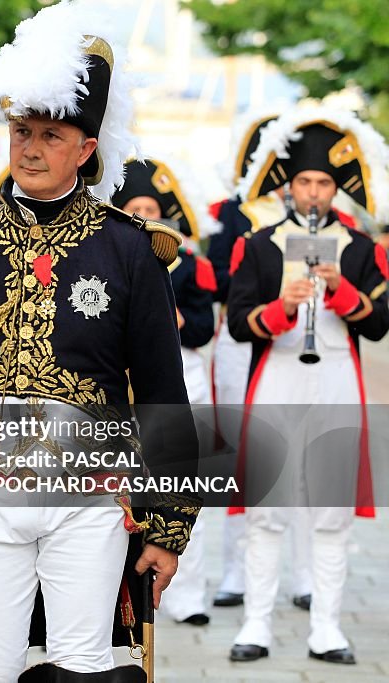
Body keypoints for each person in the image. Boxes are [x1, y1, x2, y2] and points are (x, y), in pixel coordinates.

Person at [0, 3, 200, 680]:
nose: (30, 148)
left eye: (51, 135)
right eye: (21, 130)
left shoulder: (129, 251)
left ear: (86, 149)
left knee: (85, 666)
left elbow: (162, 395)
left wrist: (168, 526)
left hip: (90, 501)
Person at [227, 106, 389, 665]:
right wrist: (280, 308)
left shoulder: (364, 249)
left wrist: (343, 291)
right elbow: (237, 323)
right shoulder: (258, 244)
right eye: (305, 182)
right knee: (267, 508)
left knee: (331, 509)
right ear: (288, 187)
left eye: (323, 183)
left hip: (337, 381)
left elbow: (379, 322)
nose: (314, 193)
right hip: (278, 378)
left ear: (334, 189)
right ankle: (255, 624)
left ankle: (326, 628)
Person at [207, 113, 315, 610]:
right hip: (245, 337)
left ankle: (306, 573)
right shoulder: (235, 212)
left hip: (301, 342)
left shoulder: (320, 215)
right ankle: (236, 569)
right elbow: (225, 283)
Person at [111, 157, 218, 628]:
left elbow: (204, 325)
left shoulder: (192, 263)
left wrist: (172, 322)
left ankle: (190, 594)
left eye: (150, 206)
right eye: (134, 206)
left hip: (178, 381)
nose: (143, 214)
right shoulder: (109, 256)